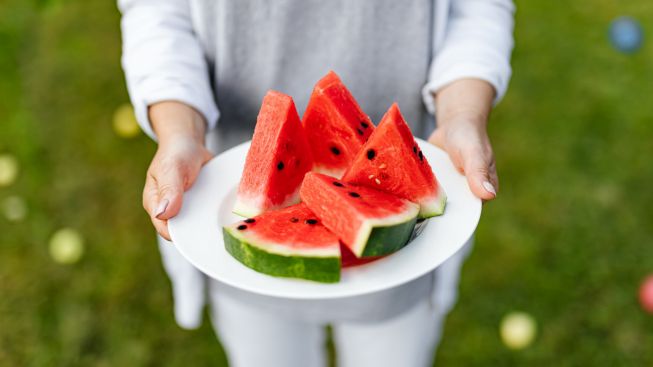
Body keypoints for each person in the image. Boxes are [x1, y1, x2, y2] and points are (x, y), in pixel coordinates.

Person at [119, 1, 514, 366]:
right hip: (231, 206)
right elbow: (157, 12)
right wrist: (179, 132)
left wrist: (462, 114)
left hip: (404, 255)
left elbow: (477, 8)